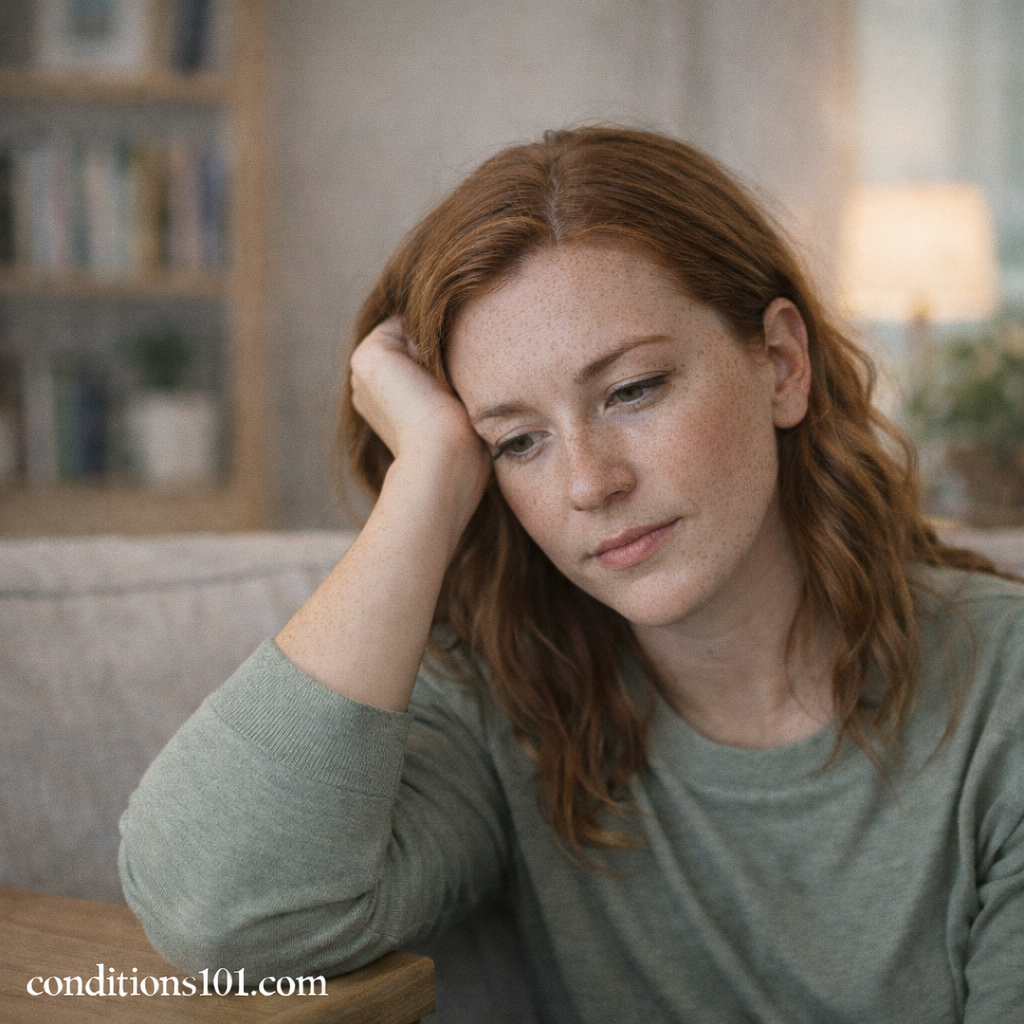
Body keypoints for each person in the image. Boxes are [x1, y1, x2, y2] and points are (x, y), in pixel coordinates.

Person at [119, 127, 1023, 1023]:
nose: (591, 483)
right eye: (517, 441)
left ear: (782, 363)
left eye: (632, 390)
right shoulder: (509, 698)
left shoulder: (1002, 696)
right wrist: (427, 476)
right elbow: (221, 917)